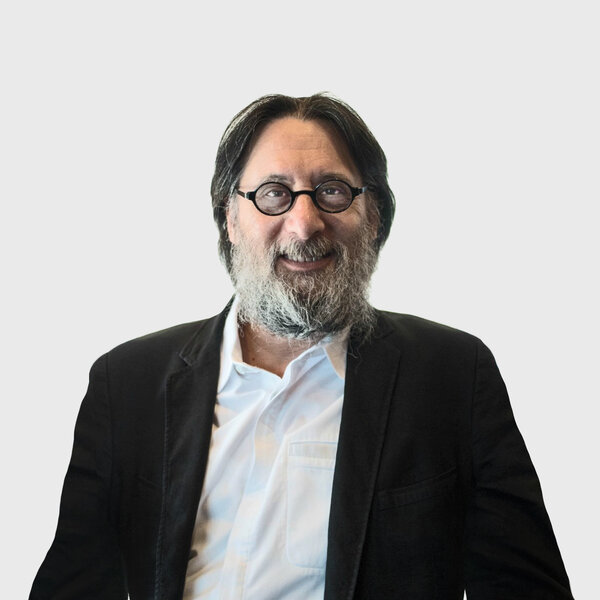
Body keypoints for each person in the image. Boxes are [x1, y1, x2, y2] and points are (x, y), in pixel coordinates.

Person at [30, 93, 574, 600]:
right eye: (274, 194)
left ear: (374, 216)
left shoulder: (452, 376)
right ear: (230, 218)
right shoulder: (126, 384)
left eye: (333, 191)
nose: (305, 223)